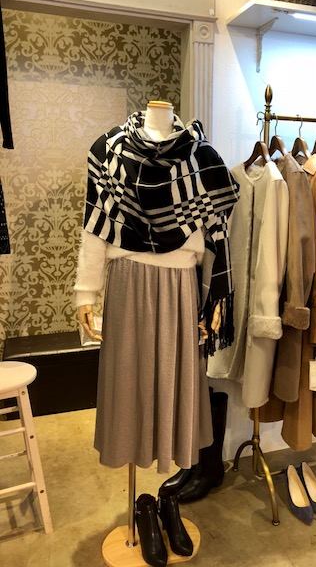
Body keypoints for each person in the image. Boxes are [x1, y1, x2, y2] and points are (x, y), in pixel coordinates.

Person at [75, 101, 239, 475]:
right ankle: (129, 457)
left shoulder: (202, 157)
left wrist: (216, 299)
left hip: (181, 286)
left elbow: (217, 234)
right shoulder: (109, 149)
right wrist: (86, 291)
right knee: (127, 380)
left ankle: (164, 470)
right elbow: (95, 225)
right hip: (127, 282)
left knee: (171, 380)